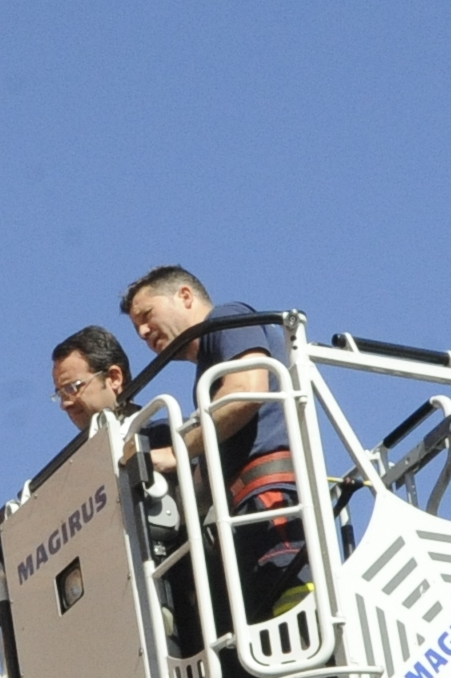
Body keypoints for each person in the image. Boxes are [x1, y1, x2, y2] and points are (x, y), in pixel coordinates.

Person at [120, 265, 310, 625]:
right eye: (137, 328)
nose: (143, 332)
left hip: (270, 504)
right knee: (271, 620)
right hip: (248, 511)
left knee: (295, 616)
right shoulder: (209, 368)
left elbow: (246, 390)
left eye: (147, 316)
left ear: (185, 296)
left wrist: (173, 453)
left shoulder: (227, 319)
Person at [0, 325, 133, 543]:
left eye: (73, 387)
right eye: (60, 393)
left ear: (114, 378)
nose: (65, 404)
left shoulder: (156, 436)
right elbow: (48, 542)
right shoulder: (71, 472)